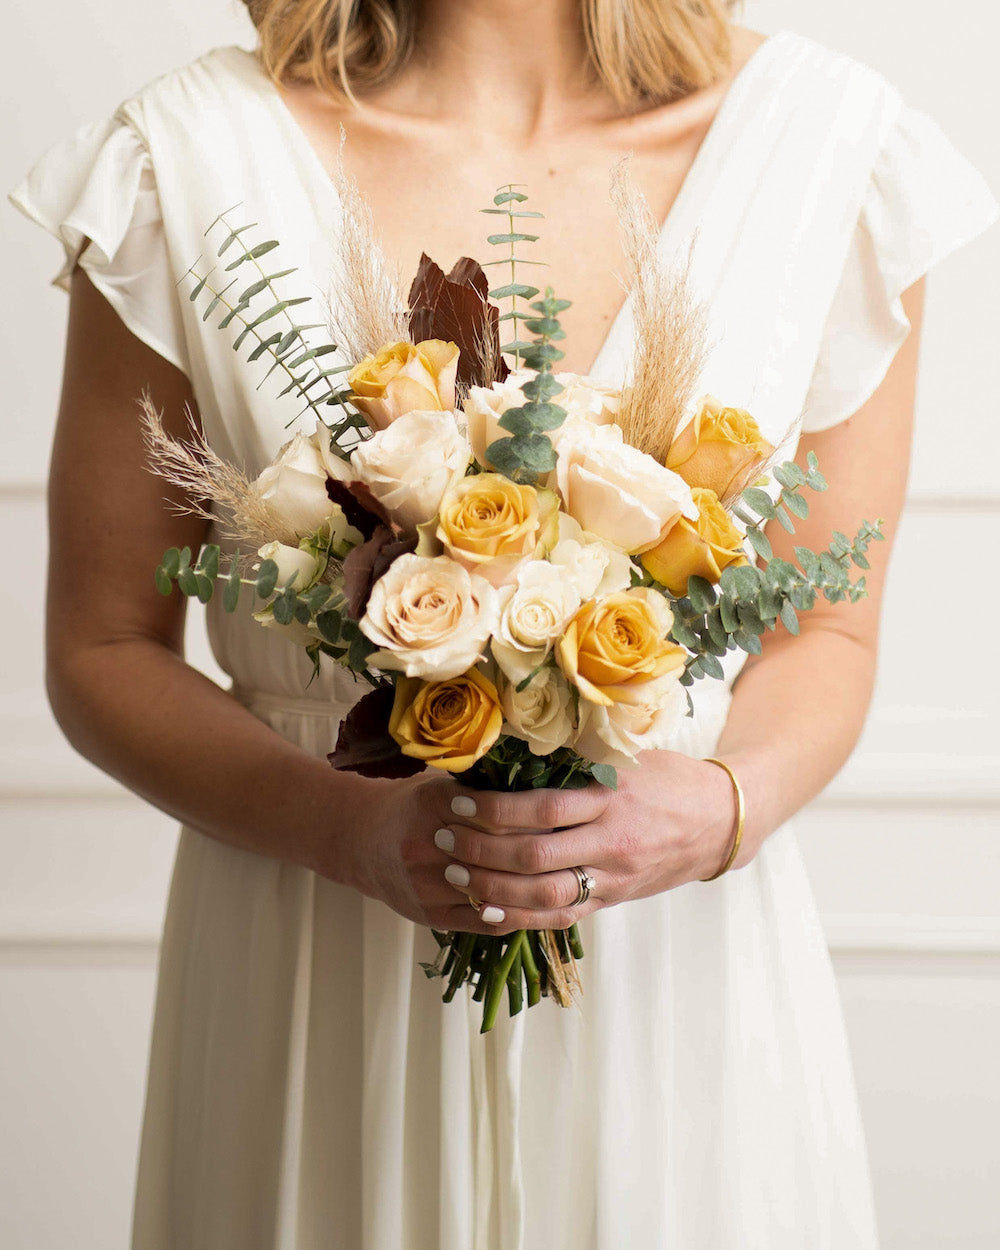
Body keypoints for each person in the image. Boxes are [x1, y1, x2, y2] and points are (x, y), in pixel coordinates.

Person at [10, 2, 998, 1247]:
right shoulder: (184, 158)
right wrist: (340, 825)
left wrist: (713, 811)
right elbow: (101, 645)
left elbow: (829, 634)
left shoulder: (829, 153)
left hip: (674, 986)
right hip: (314, 974)